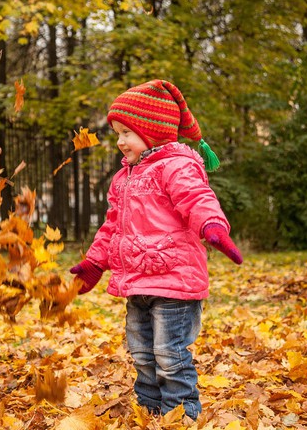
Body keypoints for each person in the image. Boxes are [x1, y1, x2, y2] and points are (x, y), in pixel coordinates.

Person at [68, 79, 243, 420]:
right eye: (117, 133)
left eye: (126, 132)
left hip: (174, 284)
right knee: (142, 354)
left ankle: (181, 417)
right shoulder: (125, 178)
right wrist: (94, 262)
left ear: (152, 130)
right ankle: (148, 414)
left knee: (169, 354)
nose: (119, 141)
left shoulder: (177, 166)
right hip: (138, 283)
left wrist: (213, 228)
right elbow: (112, 226)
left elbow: (197, 200)